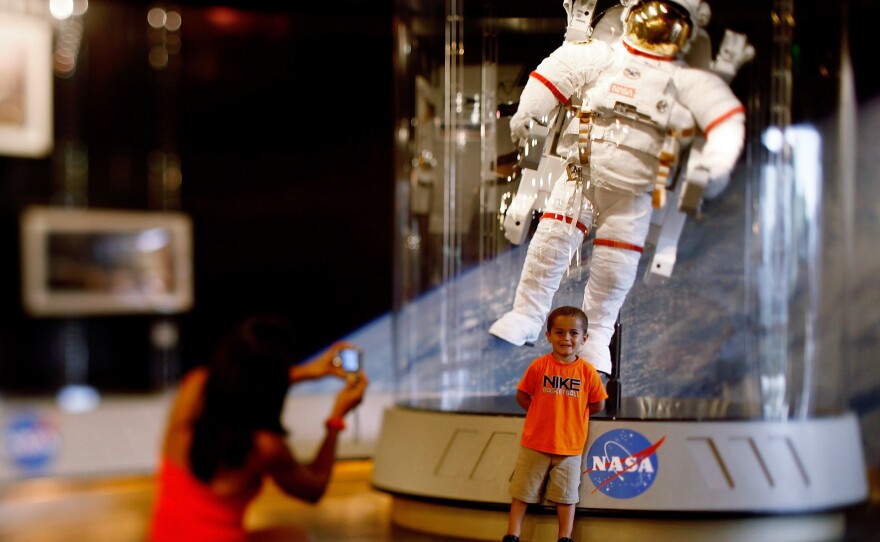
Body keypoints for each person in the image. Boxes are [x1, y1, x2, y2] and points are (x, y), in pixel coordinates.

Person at [489, 0, 747, 376]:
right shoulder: (600, 56)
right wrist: (529, 114)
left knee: (614, 270)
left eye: (671, 19)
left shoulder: (689, 82)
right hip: (580, 178)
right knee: (549, 246)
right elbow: (553, 75)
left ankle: (596, 341)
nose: (659, 24)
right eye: (650, 13)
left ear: (687, 30)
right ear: (629, 16)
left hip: (632, 197)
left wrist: (714, 166)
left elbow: (725, 120)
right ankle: (527, 315)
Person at [147, 315, 368, 542]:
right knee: (298, 538)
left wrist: (308, 372)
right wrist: (336, 419)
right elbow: (314, 488)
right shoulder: (265, 446)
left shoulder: (194, 387)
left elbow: (239, 383)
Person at [502, 306, 608, 542]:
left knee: (566, 496)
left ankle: (564, 537)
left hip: (569, 449)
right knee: (522, 492)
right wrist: (540, 414)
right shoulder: (539, 366)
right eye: (559, 332)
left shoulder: (588, 373)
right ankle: (512, 534)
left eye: (573, 333)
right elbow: (522, 396)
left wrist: (574, 415)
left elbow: (598, 404)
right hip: (535, 444)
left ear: (584, 338)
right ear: (548, 336)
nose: (566, 338)